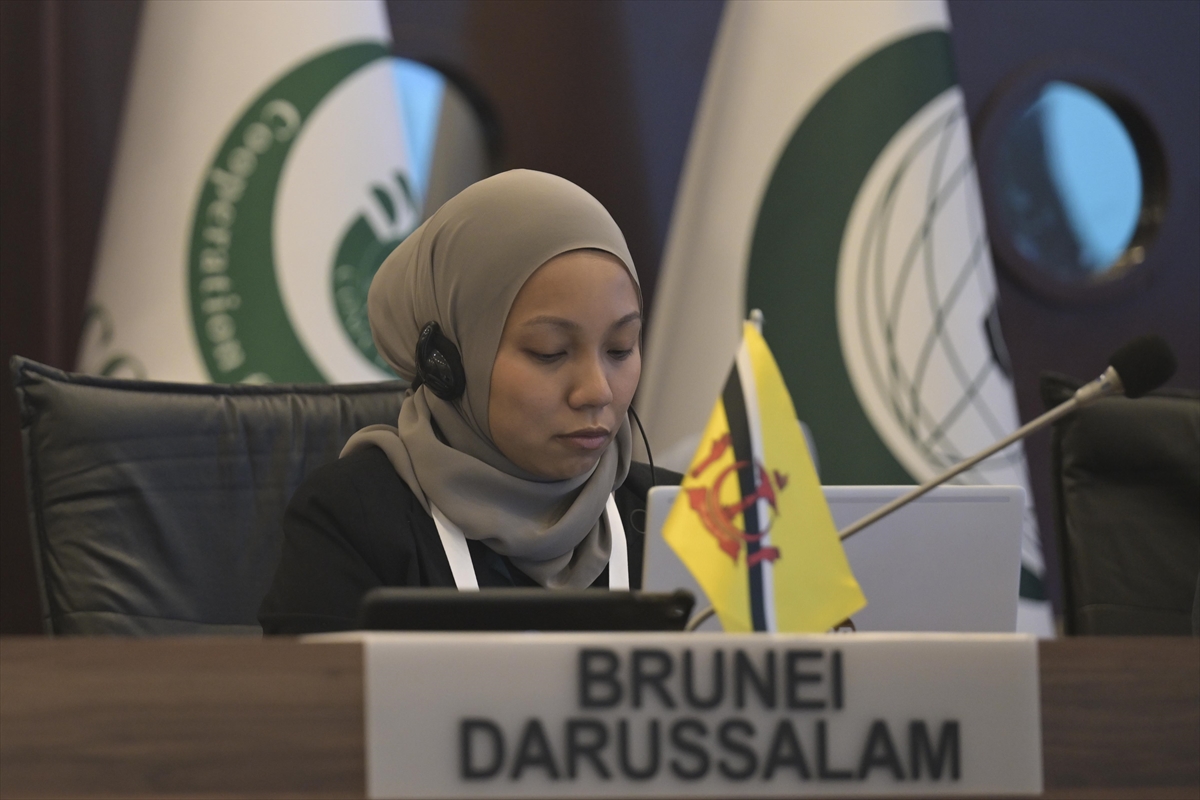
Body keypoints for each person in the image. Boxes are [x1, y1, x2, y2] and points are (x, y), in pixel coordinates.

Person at [259, 170, 670, 634]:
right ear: (447, 363)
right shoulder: (354, 520)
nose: (597, 391)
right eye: (550, 352)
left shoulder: (684, 521)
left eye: (620, 349)